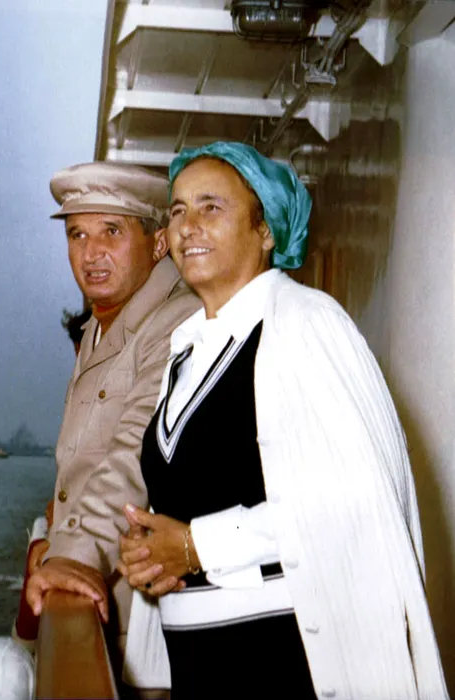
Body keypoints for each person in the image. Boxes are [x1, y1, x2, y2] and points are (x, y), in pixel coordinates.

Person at [117, 142, 448, 699]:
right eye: (177, 210)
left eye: (211, 207)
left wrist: (197, 546)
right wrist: (152, 552)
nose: (187, 226)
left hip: (279, 662)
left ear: (266, 230)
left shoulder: (307, 324)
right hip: (197, 664)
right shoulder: (187, 349)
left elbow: (353, 500)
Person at [16, 161, 200, 691]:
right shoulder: (105, 321)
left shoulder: (178, 323)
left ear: (159, 243)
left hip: (135, 626)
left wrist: (73, 555)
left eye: (111, 232)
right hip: (106, 601)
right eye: (77, 234)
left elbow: (135, 453)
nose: (91, 253)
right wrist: (55, 530)